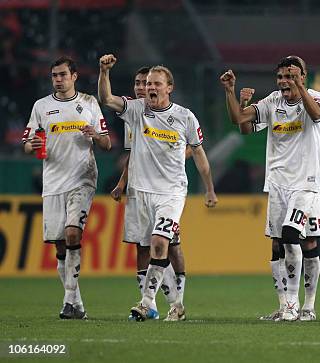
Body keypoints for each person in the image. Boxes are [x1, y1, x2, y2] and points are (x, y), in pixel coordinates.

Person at [98, 54, 217, 321]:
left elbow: (199, 154)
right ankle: (176, 305)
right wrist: (104, 72)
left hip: (171, 193)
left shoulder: (185, 117)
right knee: (150, 247)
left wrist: (209, 188)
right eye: (148, 83)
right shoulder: (138, 110)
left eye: (156, 83)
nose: (150, 87)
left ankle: (147, 302)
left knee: (160, 241)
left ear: (169, 87)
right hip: (140, 193)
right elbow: (107, 99)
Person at [220, 56, 320, 321]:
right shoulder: (273, 101)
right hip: (277, 184)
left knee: (295, 236)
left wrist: (302, 87)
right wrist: (231, 93)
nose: (285, 81)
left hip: (306, 184)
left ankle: (303, 305)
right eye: (281, 77)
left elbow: (319, 117)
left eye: (291, 76)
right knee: (277, 245)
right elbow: (241, 123)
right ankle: (285, 303)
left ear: (303, 76)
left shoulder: (317, 99)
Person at [22, 56, 111, 319]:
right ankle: (77, 303)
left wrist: (95, 135)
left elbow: (106, 143)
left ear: (74, 77)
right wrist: (32, 147)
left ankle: (68, 301)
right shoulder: (41, 106)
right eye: (54, 75)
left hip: (83, 178)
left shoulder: (88, 103)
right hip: (53, 182)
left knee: (73, 234)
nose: (58, 79)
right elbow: (28, 143)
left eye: (62, 75)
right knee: (60, 246)